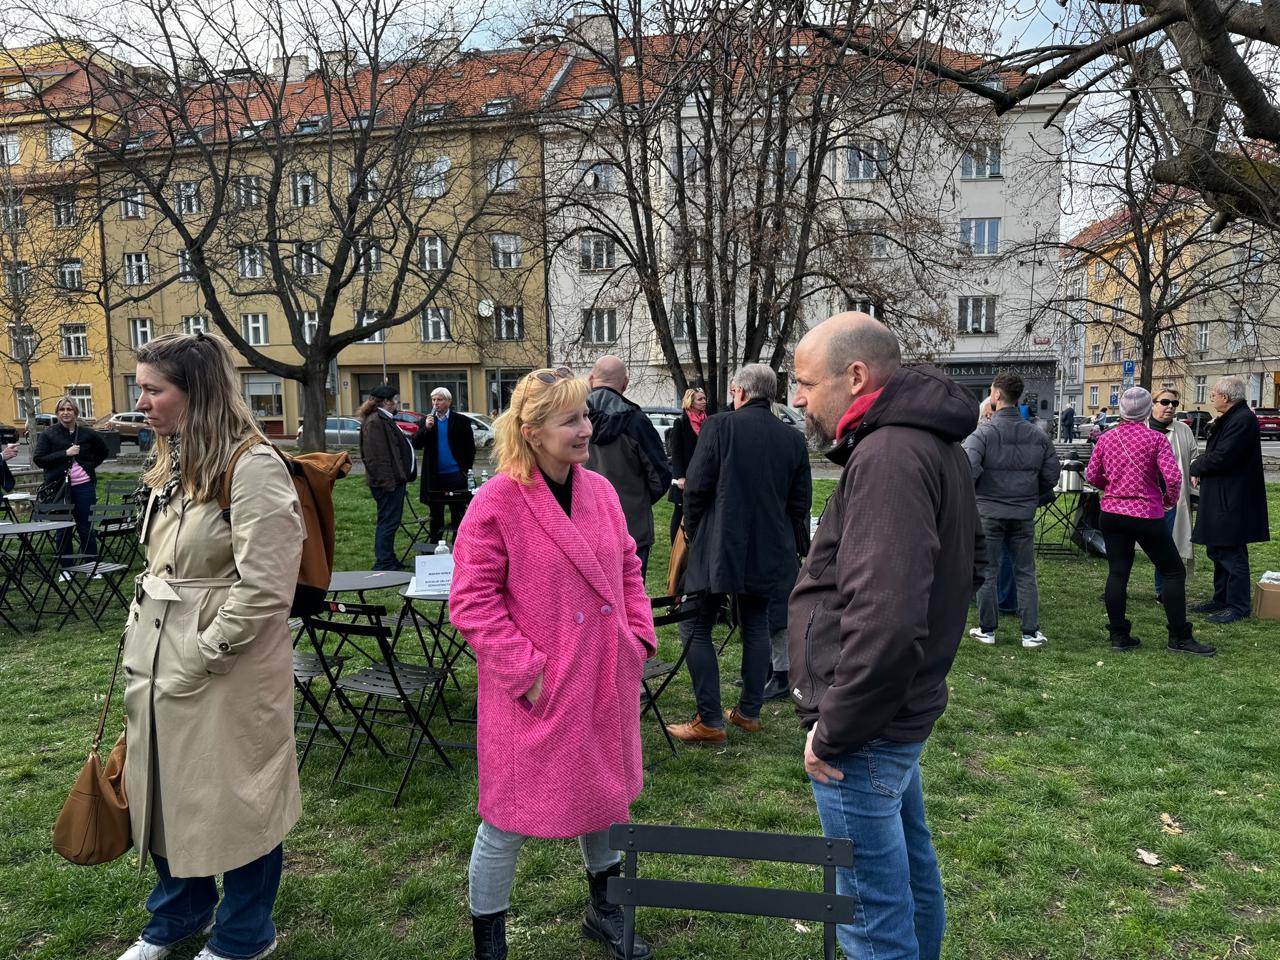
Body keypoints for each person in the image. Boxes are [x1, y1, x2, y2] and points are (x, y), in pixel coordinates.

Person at [788, 312, 983, 960]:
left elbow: (889, 616)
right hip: (895, 710)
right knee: (908, 876)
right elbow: (967, 565)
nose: (797, 398)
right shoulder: (927, 443)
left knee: (873, 919)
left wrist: (835, 726)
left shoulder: (890, 454)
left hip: (867, 726)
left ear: (856, 376)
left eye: (805, 383)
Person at [450, 367, 657, 960]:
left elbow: (627, 568)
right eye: (571, 420)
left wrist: (636, 638)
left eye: (586, 416)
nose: (586, 429)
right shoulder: (497, 501)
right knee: (506, 820)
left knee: (603, 797)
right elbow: (471, 600)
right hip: (536, 690)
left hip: (601, 676)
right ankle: (488, 942)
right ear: (533, 431)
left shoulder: (600, 492)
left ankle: (605, 909)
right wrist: (528, 673)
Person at [117, 332, 305, 960]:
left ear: (195, 395)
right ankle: (175, 919)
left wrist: (207, 651)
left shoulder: (250, 466)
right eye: (140, 388)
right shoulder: (173, 461)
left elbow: (267, 585)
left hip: (227, 669)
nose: (140, 402)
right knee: (168, 791)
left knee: (239, 799)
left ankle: (244, 934)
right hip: (158, 661)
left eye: (153, 390)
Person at [665, 364, 811, 745]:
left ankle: (710, 719)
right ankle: (748, 711)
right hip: (769, 547)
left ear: (740, 392)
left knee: (694, 625)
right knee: (757, 622)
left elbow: (695, 488)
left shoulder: (718, 427)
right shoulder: (792, 439)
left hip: (718, 544)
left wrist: (693, 533)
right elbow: (800, 505)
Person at [1085, 387, 1214, 656]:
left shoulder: (1106, 439)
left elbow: (1092, 475)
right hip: (1145, 513)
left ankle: (1119, 634)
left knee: (1118, 572)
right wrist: (1167, 499)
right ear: (1146, 410)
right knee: (1173, 571)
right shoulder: (1155, 439)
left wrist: (1109, 487)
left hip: (1112, 512)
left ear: (1121, 409)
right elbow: (1174, 476)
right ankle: (1179, 636)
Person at [963, 371, 1060, 648]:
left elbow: (967, 470)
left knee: (988, 571)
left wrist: (980, 492)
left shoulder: (982, 434)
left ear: (996, 394)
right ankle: (1030, 633)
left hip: (989, 512)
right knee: (1025, 572)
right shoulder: (1037, 435)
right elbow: (1051, 474)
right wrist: (1031, 495)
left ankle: (987, 629)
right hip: (1022, 513)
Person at [1189, 375, 1270, 624]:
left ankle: (1237, 605)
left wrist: (1196, 466)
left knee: (1231, 551)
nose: (1211, 397)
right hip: (1222, 495)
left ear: (1225, 397)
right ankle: (1221, 598)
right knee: (1218, 548)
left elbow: (1223, 456)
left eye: (1213, 393)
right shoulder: (1232, 417)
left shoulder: (1242, 420)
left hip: (1232, 498)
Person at [585, 355, 671, 580]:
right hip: (632, 526)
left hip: (582, 525)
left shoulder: (572, 419)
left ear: (591, 379)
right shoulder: (637, 421)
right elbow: (660, 475)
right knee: (631, 600)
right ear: (625, 383)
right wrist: (637, 499)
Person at [32, 396, 109, 576]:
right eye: (62, 410)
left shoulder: (87, 433)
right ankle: (66, 569)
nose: (65, 413)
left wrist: (88, 467)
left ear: (75, 412)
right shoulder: (49, 433)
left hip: (84, 488)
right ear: (57, 413)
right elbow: (39, 459)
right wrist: (65, 454)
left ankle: (91, 567)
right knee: (63, 528)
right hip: (59, 489)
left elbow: (103, 451)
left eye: (69, 409)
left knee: (86, 528)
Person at [359, 385, 415, 570]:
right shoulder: (376, 422)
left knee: (391, 521)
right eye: (394, 399)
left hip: (393, 481)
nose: (396, 403)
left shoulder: (383, 419)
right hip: (387, 484)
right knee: (388, 522)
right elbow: (377, 457)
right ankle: (384, 561)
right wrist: (388, 483)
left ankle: (389, 558)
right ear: (386, 402)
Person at [1148, 388, 1196, 601]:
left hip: (1170, 499)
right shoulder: (1142, 428)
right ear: (1153, 404)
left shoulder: (1183, 430)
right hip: (1143, 498)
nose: (1170, 407)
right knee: (1128, 544)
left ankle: (1163, 590)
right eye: (1165, 402)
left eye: (1174, 404)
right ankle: (1117, 586)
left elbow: (1194, 456)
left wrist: (1196, 470)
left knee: (1168, 544)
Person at [412, 386, 476, 544]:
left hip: (456, 475)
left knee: (458, 514)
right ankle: (435, 547)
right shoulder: (426, 421)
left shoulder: (461, 421)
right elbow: (416, 444)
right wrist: (426, 428)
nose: (436, 403)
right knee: (436, 516)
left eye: (439, 400)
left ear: (449, 401)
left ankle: (458, 546)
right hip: (435, 477)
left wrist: (465, 470)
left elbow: (470, 448)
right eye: (433, 400)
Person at [666, 386, 706, 544]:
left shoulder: (708, 421)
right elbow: (676, 452)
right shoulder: (681, 422)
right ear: (691, 401)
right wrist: (680, 476)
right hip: (684, 477)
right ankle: (675, 543)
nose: (704, 401)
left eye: (704, 398)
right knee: (680, 509)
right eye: (700, 399)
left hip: (702, 474)